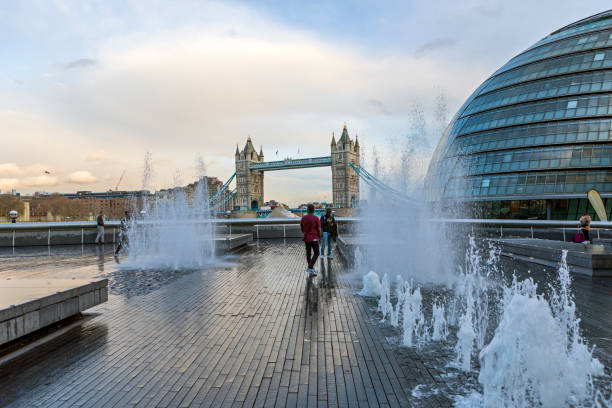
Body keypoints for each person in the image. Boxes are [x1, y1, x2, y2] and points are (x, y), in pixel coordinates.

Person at [300, 203, 321, 275]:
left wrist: (306, 233)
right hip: (314, 237)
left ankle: (310, 268)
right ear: (313, 210)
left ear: (307, 210)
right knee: (317, 253)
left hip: (306, 238)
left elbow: (302, 229)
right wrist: (320, 238)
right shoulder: (316, 218)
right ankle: (310, 267)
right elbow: (318, 229)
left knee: (308, 253)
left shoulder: (303, 218)